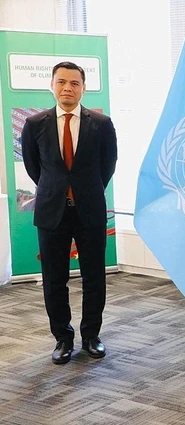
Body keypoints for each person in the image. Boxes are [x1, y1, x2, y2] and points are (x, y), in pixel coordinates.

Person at [21, 62, 118, 365]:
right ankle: (63, 338)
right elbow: (33, 166)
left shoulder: (101, 123)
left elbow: (108, 164)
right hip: (52, 212)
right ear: (52, 85)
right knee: (54, 278)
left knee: (94, 276)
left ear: (83, 88)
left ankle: (91, 336)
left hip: (89, 209)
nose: (67, 88)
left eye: (74, 83)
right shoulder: (35, 124)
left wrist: (84, 190)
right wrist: (57, 190)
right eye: (61, 82)